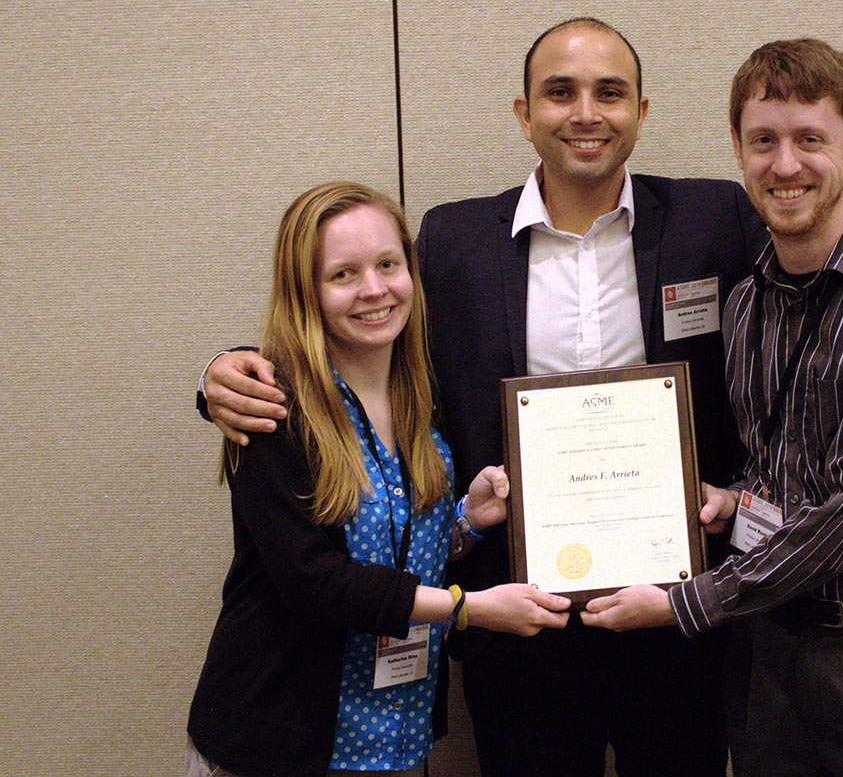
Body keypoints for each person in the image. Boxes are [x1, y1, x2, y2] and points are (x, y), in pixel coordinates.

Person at [199, 20, 843, 777]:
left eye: (610, 92)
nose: (586, 113)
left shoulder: (717, 217)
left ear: (641, 113)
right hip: (519, 621)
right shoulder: (453, 240)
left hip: (683, 619)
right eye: (560, 92)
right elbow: (356, 314)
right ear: (525, 114)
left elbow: (829, 251)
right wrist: (225, 377)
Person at [581, 38, 843, 777]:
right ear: (738, 149)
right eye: (764, 140)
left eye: (811, 140)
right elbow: (781, 468)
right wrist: (733, 501)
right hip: (766, 652)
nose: (785, 164)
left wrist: (685, 604)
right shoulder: (745, 305)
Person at [185, 182, 570, 777]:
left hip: (394, 732)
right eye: (343, 274)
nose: (374, 289)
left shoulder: (420, 395)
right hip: (280, 740)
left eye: (388, 264)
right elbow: (313, 579)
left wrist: (465, 521)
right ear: (305, 290)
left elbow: (388, 547)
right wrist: (466, 609)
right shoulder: (269, 408)